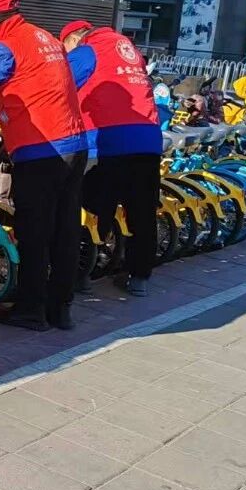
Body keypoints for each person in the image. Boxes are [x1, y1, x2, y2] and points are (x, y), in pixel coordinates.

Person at [0, 0, 87, 332]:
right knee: (64, 230)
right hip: (74, 144)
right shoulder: (45, 37)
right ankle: (60, 309)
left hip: (42, 148)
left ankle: (30, 310)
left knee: (34, 231)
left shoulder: (7, 44)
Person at [61, 20, 162, 297]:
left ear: (74, 39)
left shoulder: (88, 50)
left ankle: (80, 274)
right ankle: (139, 278)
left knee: (91, 210)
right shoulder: (129, 50)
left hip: (107, 142)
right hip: (148, 139)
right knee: (142, 212)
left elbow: (58, 84)